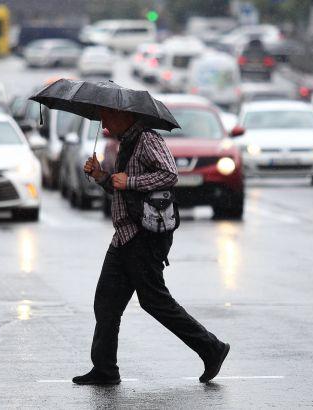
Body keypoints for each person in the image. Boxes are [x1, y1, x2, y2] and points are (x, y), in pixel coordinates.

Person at [73, 107, 230, 385]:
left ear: (124, 115)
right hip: (124, 235)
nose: (105, 124)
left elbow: (170, 175)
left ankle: (212, 348)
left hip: (144, 235)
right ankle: (105, 369)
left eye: (107, 117)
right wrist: (101, 176)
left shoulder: (147, 139)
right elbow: (121, 188)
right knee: (106, 302)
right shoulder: (126, 142)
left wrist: (129, 180)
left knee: (155, 301)